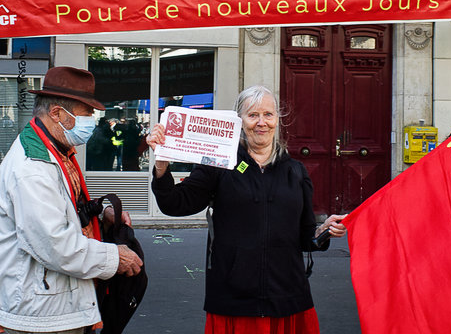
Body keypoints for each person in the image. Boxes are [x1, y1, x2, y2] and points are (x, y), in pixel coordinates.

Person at [146, 85, 347, 334]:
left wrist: (324, 231)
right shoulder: (219, 164)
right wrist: (162, 164)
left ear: (278, 120)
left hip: (288, 297)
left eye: (268, 115)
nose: (261, 123)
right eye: (252, 115)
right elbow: (174, 204)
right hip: (234, 297)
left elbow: (306, 237)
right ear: (238, 121)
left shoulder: (295, 171)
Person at [0, 66, 143, 334]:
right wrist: (114, 257)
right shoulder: (32, 167)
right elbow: (54, 245)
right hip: (41, 314)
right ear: (56, 113)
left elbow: (65, 209)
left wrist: (101, 215)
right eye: (86, 113)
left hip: (56, 304)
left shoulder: (56, 150)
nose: (92, 119)